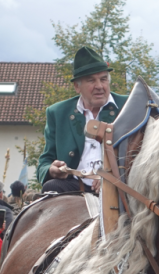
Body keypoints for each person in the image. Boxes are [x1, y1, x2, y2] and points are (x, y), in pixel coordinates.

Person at [38, 46, 129, 194]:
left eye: (103, 79)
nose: (99, 86)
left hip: (119, 185)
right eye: (91, 80)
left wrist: (112, 177)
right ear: (77, 86)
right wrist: (51, 169)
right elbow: (44, 162)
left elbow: (141, 155)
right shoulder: (58, 113)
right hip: (73, 187)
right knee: (51, 187)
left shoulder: (127, 106)